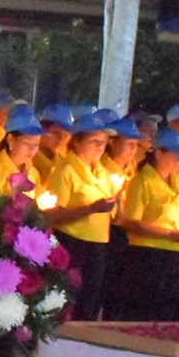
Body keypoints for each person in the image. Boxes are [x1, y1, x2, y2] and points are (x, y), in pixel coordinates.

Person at [41, 118, 119, 321]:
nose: (100, 146)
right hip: (73, 242)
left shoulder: (103, 174)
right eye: (94, 140)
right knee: (69, 299)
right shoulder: (66, 170)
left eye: (103, 141)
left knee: (90, 300)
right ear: (77, 142)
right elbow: (53, 215)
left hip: (99, 243)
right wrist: (91, 209)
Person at [111, 130, 179, 320]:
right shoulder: (142, 182)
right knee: (144, 308)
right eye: (175, 156)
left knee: (170, 309)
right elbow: (131, 222)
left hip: (178, 253)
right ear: (159, 153)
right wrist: (167, 234)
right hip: (149, 255)